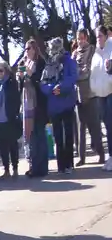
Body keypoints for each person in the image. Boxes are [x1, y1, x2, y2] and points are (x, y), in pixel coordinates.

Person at [42, 37, 80, 174]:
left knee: (68, 135)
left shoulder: (69, 62)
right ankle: (61, 165)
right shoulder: (49, 64)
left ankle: (69, 163)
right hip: (54, 106)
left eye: (53, 48)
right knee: (58, 137)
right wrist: (51, 89)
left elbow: (72, 77)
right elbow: (43, 83)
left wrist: (61, 87)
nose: (52, 51)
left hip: (67, 104)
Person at [73, 28, 104, 166]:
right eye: (78, 38)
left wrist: (80, 72)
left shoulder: (92, 50)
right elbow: (74, 72)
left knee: (94, 126)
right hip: (78, 94)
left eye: (82, 38)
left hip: (91, 93)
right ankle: (82, 157)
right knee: (80, 128)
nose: (80, 41)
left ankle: (101, 153)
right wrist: (79, 73)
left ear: (86, 38)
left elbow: (89, 70)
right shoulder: (74, 54)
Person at [22, 39, 50, 179]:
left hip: (39, 104)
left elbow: (40, 82)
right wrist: (21, 76)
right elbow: (23, 85)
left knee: (39, 135)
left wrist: (30, 74)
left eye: (29, 49)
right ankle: (33, 165)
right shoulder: (26, 63)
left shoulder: (40, 63)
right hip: (28, 105)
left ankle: (42, 167)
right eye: (25, 49)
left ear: (34, 49)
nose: (26, 51)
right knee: (31, 136)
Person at [0, 61, 23, 179]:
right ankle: (6, 170)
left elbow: (16, 99)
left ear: (6, 71)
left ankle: (15, 168)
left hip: (9, 118)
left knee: (12, 144)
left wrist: (14, 112)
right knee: (2, 146)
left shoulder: (11, 83)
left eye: (1, 70)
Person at [94, 27, 112, 173]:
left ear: (106, 36)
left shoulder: (110, 49)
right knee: (107, 126)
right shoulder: (96, 54)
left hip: (111, 91)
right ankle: (111, 156)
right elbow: (94, 74)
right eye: (97, 36)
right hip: (101, 94)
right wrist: (94, 87)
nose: (98, 38)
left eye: (100, 36)